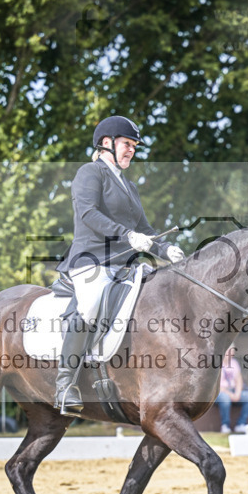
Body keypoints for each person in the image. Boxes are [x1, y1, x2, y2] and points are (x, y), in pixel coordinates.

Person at [53, 115, 184, 413]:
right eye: (127, 144)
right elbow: (88, 214)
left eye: (134, 147)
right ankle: (64, 385)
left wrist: (167, 248)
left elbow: (146, 230)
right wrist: (127, 235)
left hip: (123, 265)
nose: (131, 151)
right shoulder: (90, 173)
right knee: (90, 305)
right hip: (92, 260)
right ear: (107, 143)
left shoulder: (129, 187)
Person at [216, 345, 248, 434]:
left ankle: (241, 424)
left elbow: (239, 379)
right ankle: (225, 425)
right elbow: (216, 386)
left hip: (233, 391)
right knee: (225, 398)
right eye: (229, 350)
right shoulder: (216, 364)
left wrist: (237, 393)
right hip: (220, 393)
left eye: (232, 350)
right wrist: (230, 394)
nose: (232, 353)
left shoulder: (234, 363)